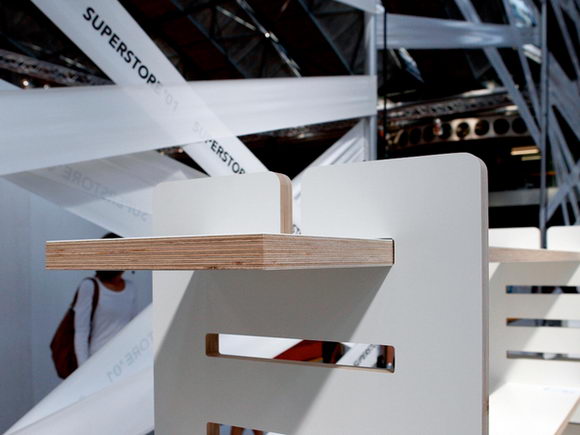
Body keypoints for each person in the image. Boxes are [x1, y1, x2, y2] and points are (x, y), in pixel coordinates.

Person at [73, 232, 139, 365]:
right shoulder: (90, 286)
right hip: (98, 360)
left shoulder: (130, 288)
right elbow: (81, 332)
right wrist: (84, 369)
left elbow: (134, 327)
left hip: (125, 360)